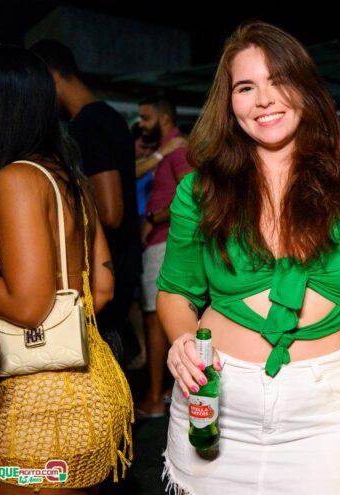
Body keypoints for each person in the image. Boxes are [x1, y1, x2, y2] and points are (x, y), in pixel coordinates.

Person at [156, 21, 340, 494]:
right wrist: (181, 340)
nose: (263, 100)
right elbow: (175, 291)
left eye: (278, 80)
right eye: (245, 87)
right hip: (217, 405)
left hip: (326, 413)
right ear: (229, 102)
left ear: (305, 87)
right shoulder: (200, 190)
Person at [0, 44, 133, 493]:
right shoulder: (70, 178)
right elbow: (102, 288)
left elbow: (29, 306)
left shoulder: (15, 179)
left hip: (40, 413)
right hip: (95, 393)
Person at [30, 39, 142, 364]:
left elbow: (110, 212)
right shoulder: (110, 116)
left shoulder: (87, 126)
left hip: (108, 268)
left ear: (50, 75)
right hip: (124, 261)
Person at [135, 96, 193, 419]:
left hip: (165, 241)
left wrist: (154, 218)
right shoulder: (164, 151)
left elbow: (193, 194)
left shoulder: (178, 150)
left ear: (165, 118)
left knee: (155, 318)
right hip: (160, 242)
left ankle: (155, 397)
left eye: (146, 117)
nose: (142, 124)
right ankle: (168, 390)